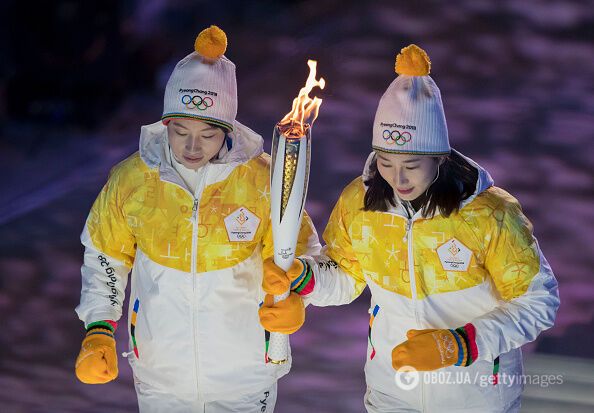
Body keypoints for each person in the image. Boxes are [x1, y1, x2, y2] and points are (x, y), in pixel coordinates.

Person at [261, 44, 560, 412]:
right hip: (392, 392)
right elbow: (345, 276)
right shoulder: (360, 201)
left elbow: (539, 302)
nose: (398, 178)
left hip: (475, 400)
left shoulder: (489, 214)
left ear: (439, 156)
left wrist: (458, 345)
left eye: (412, 164)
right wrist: (302, 277)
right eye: (385, 162)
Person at [74, 25, 320, 412]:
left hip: (245, 375)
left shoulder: (262, 180)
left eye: (207, 134)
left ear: (227, 130)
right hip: (160, 375)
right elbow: (104, 257)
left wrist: (297, 297)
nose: (191, 147)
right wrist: (99, 329)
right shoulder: (132, 181)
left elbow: (305, 255)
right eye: (181, 131)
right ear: (167, 124)